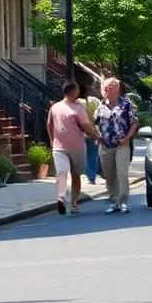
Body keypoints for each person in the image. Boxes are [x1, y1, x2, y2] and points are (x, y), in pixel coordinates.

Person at [47, 81, 102, 215]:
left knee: (71, 174)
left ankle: (70, 200)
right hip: (64, 147)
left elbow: (49, 125)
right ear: (72, 91)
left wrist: (51, 140)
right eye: (76, 89)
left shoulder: (67, 107)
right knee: (65, 172)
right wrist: (96, 135)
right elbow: (85, 126)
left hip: (74, 147)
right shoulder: (63, 108)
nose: (78, 92)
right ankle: (64, 199)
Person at [94, 76, 138, 213]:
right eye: (104, 88)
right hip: (105, 145)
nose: (105, 90)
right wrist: (97, 136)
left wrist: (127, 138)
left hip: (121, 145)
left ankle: (123, 201)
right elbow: (95, 123)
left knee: (121, 173)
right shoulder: (101, 105)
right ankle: (114, 201)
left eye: (108, 88)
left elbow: (134, 122)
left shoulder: (126, 104)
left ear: (116, 89)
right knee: (109, 174)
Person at [80, 89, 103, 184]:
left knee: (81, 154)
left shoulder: (78, 103)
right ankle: (91, 176)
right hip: (94, 131)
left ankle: (82, 173)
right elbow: (100, 117)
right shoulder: (96, 101)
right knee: (93, 154)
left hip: (81, 131)